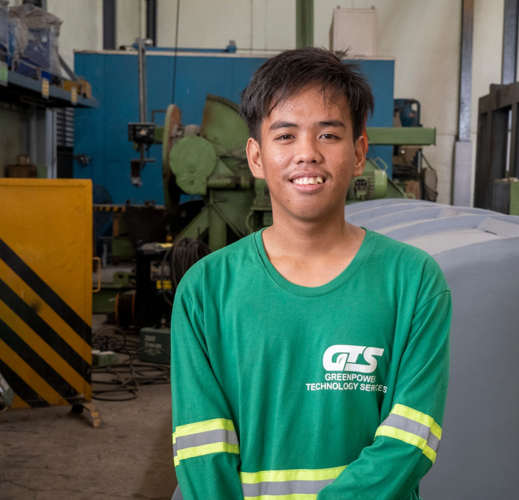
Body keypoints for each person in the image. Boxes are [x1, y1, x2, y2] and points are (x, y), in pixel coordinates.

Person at [170, 47, 451, 500]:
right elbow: (201, 447)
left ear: (359, 153)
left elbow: (411, 439)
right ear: (256, 156)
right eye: (285, 136)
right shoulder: (205, 291)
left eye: (328, 135)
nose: (307, 154)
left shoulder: (413, 282)